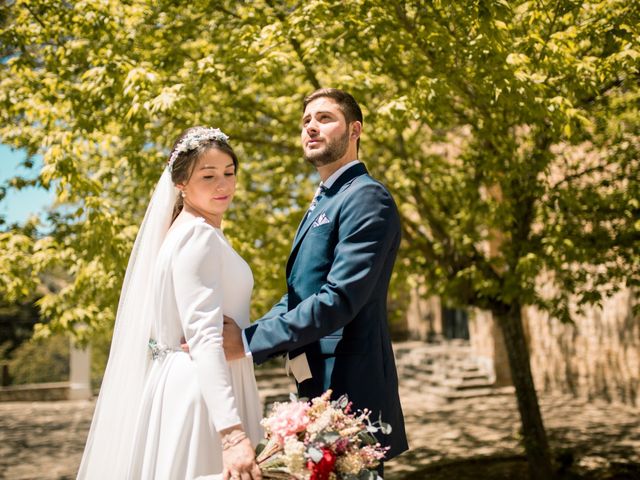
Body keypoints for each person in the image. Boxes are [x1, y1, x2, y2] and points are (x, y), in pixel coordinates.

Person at [223, 88, 409, 475]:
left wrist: (245, 342)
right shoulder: (324, 200)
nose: (311, 127)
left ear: (354, 130)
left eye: (325, 118)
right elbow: (298, 295)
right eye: (306, 120)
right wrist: (246, 334)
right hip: (315, 389)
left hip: (351, 391)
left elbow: (338, 299)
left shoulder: (366, 197)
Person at [77, 127, 263, 480]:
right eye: (208, 176)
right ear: (181, 183)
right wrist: (233, 434)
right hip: (204, 393)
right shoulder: (197, 236)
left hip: (184, 383)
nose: (223, 185)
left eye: (229, 173)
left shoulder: (179, 232)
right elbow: (204, 337)